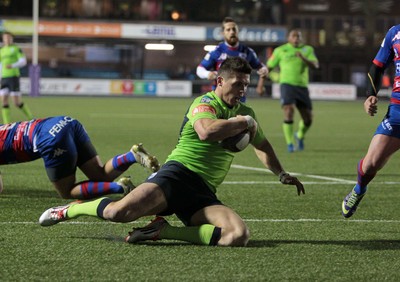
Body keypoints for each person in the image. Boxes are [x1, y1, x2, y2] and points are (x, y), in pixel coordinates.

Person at [39, 57, 304, 247]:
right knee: (118, 213)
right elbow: (206, 131)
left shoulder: (247, 113)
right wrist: (242, 123)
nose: (243, 90)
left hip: (203, 191)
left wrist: (281, 173)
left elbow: (262, 145)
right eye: (237, 84)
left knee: (237, 235)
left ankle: (162, 231)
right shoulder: (205, 103)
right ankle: (67, 211)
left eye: (246, 85)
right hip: (175, 176)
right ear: (220, 81)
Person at [0, 115, 160, 199]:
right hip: (65, 122)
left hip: (49, 138)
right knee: (100, 175)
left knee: (67, 192)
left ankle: (122, 187)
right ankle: (133, 155)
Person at [342, 24, 400, 218]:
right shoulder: (395, 33)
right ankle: (359, 189)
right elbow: (377, 66)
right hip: (397, 112)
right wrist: (370, 95)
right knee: (370, 165)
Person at [259, 29, 319, 152]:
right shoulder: (280, 50)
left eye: (299, 36)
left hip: (302, 86)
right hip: (286, 84)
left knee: (308, 118)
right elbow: (268, 68)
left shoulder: (307, 50)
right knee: (288, 109)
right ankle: (290, 143)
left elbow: (315, 65)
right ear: (288, 38)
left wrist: (303, 58)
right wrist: (260, 84)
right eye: (294, 36)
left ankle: (300, 135)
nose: (296, 38)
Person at [196, 17, 268, 102]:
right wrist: (207, 74)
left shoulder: (247, 51)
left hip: (239, 99)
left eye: (234, 29)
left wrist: (264, 70)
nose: (232, 32)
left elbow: (261, 67)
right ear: (223, 33)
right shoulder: (216, 51)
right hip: (219, 98)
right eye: (228, 30)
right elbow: (199, 69)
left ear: (238, 32)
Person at [0, 32, 33, 124]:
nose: (7, 39)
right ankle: (7, 124)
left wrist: (13, 65)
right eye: (5, 38)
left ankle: (31, 118)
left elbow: (23, 61)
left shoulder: (16, 49)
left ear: (12, 39)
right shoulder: (1, 50)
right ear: (3, 39)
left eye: (9, 38)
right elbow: (0, 65)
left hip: (13, 77)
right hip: (4, 78)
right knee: (4, 100)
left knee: (16, 102)